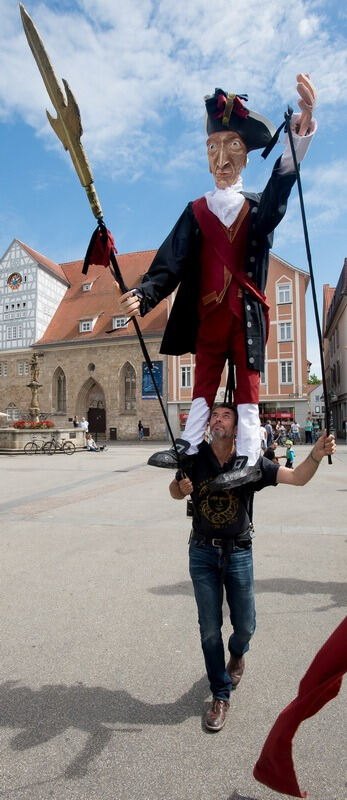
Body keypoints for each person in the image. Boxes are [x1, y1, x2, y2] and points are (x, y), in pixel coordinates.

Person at [119, 75, 317, 482]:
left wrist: (297, 139)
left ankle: (247, 455)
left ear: (245, 157)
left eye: (232, 148)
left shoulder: (257, 208)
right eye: (213, 148)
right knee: (204, 378)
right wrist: (145, 294)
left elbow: (280, 191)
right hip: (208, 314)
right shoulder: (195, 210)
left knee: (247, 384)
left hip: (246, 312)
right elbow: (169, 260)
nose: (221, 158)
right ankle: (189, 445)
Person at [169, 403, 335, 732]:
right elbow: (175, 491)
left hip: (239, 551)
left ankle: (238, 653)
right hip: (202, 552)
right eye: (213, 415)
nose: (217, 419)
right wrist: (180, 489)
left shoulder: (250, 461)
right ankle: (220, 693)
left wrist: (315, 454)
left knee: (244, 625)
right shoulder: (193, 457)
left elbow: (297, 478)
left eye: (225, 415)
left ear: (237, 426)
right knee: (209, 628)